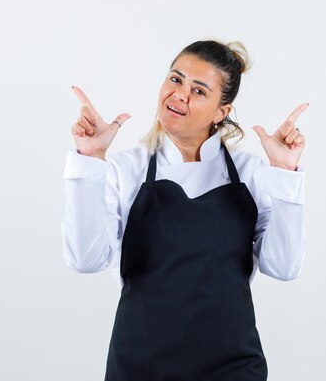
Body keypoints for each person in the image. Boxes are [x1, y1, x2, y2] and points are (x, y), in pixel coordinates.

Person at [61, 39, 307, 381]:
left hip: (232, 368)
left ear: (222, 111)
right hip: (139, 366)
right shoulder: (125, 170)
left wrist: (284, 174)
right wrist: (89, 163)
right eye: (175, 79)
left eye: (199, 90)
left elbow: (282, 267)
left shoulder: (252, 174)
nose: (179, 95)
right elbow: (86, 260)